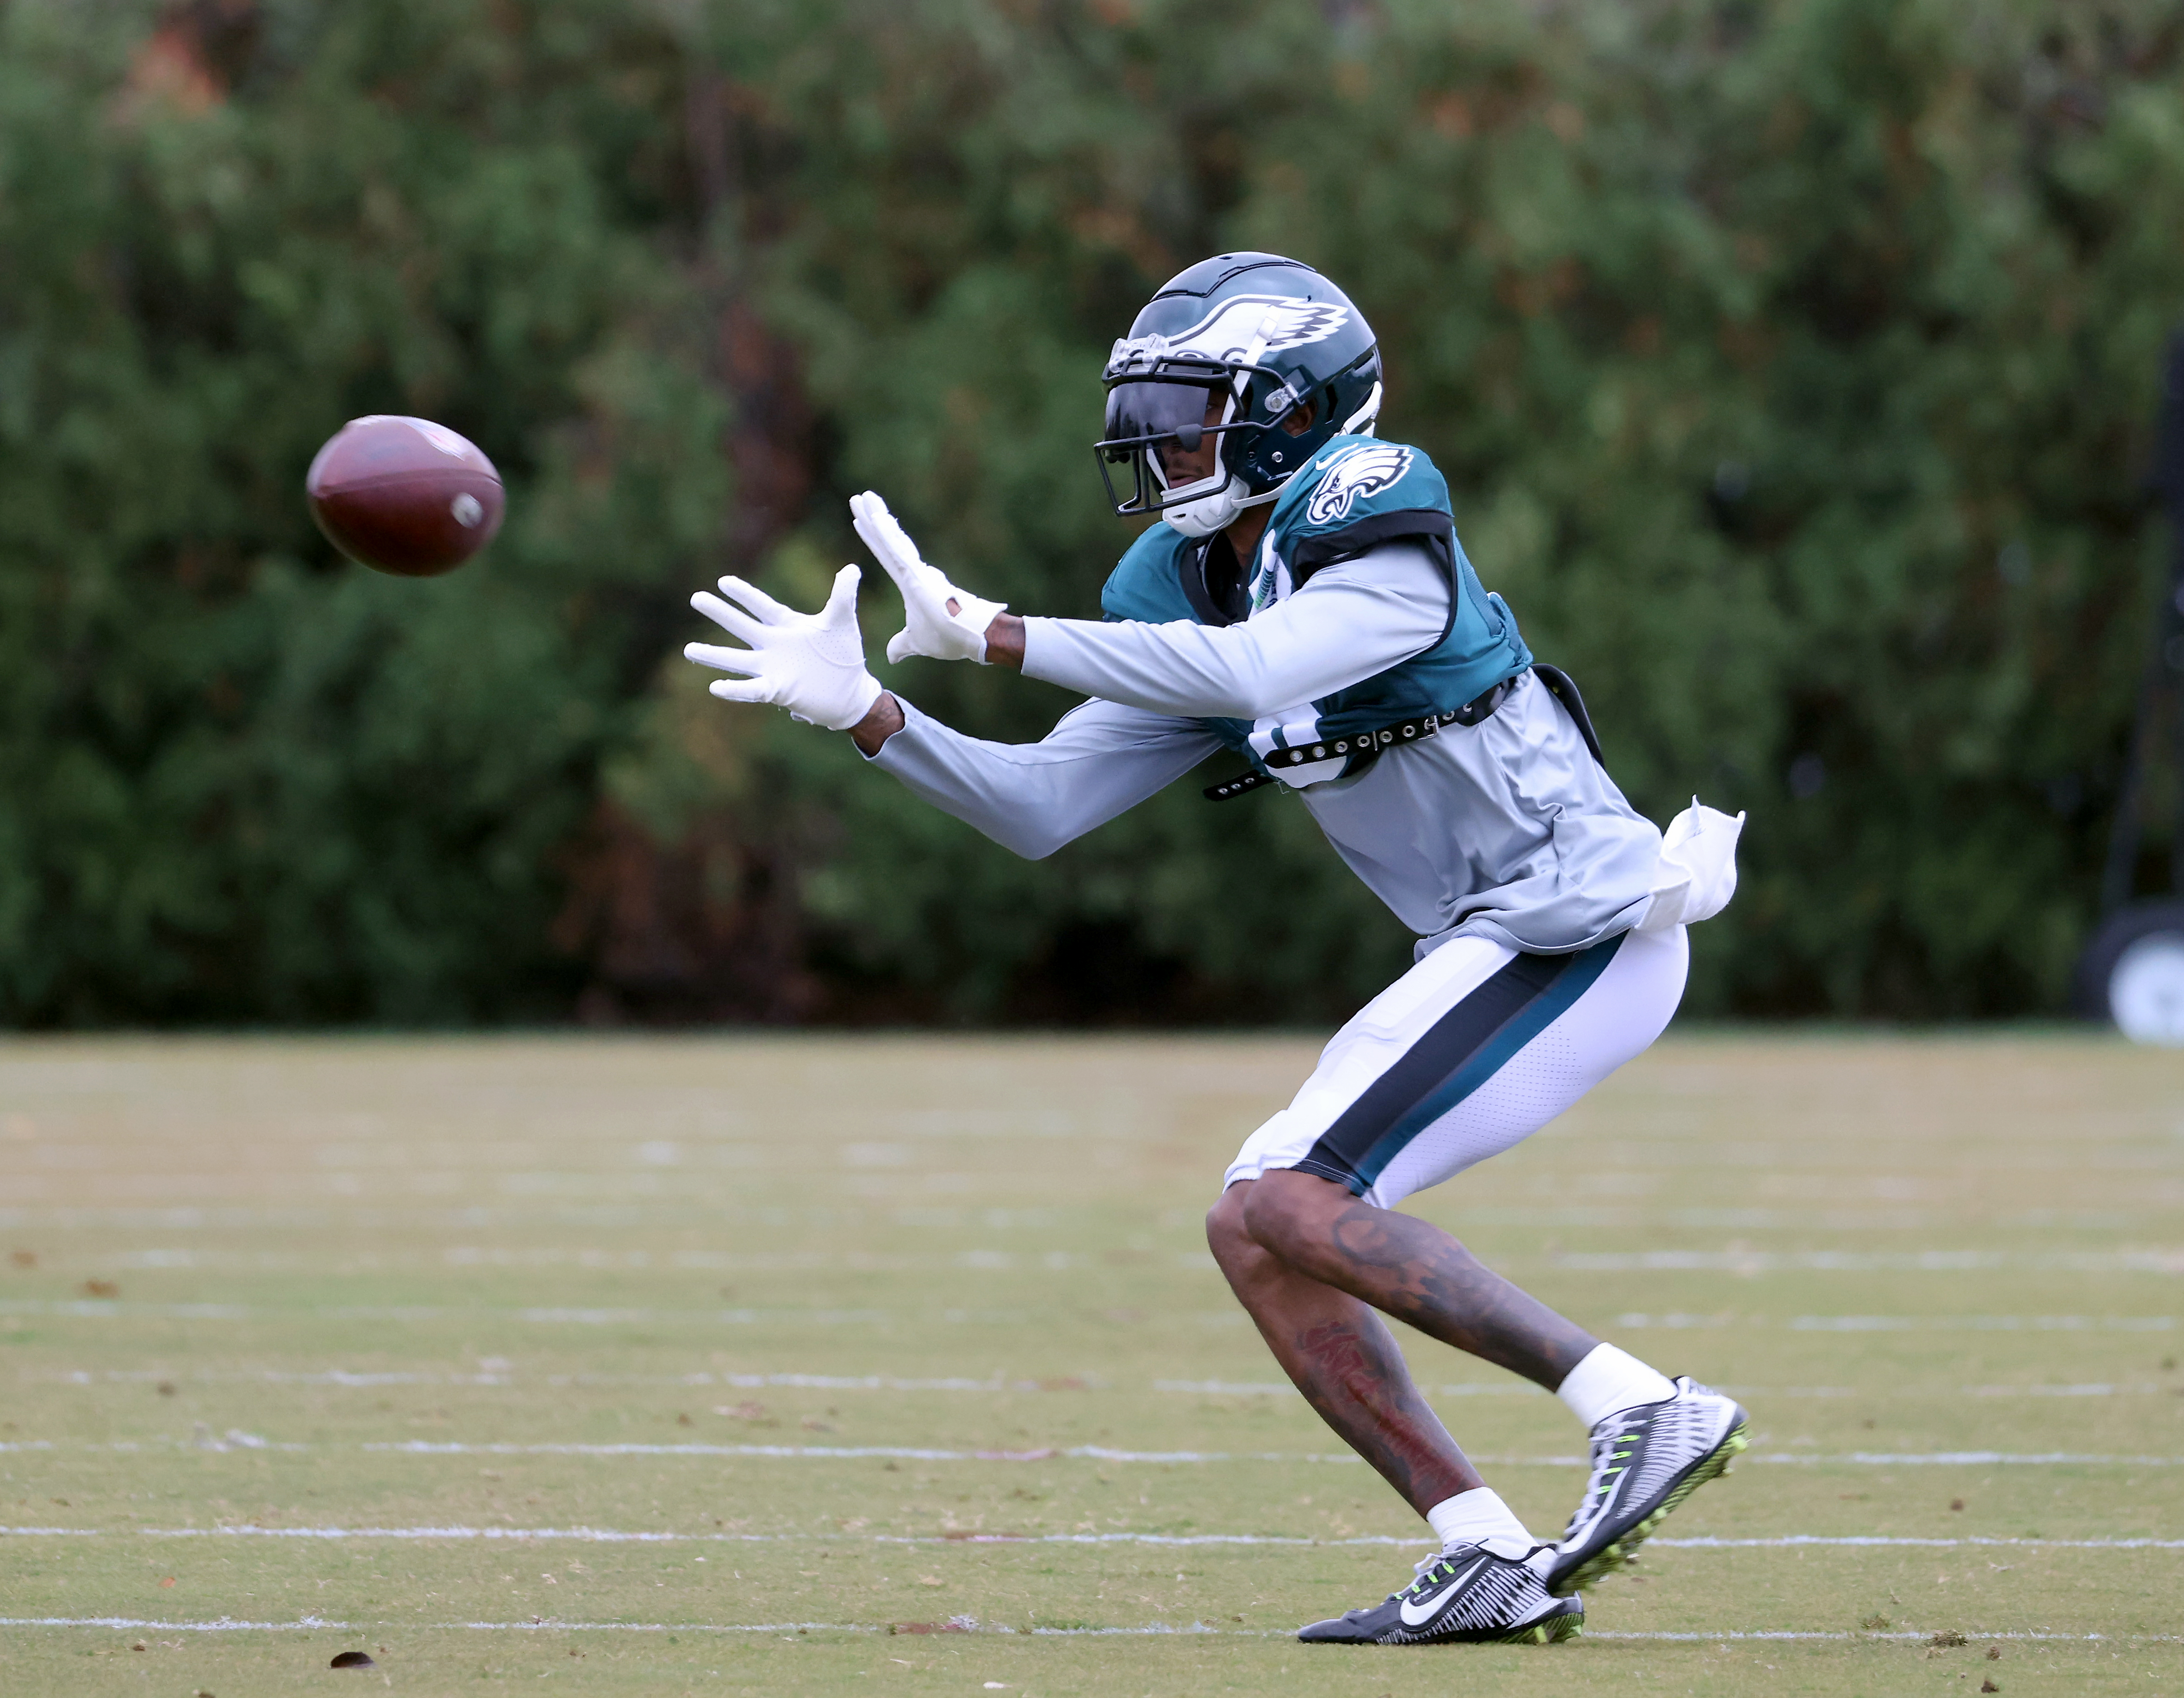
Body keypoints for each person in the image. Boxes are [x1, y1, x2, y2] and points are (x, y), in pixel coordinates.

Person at [683, 252, 1748, 1647]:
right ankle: (1479, 1542)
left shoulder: (1375, 517)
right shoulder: (1186, 574)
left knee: (1299, 1193)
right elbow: (1040, 805)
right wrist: (871, 713)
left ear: (1296, 413)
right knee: (1254, 1222)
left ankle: (1640, 1403)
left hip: (1582, 925)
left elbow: (1254, 673)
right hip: (1495, 939)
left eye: (1191, 411)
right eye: (1149, 412)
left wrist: (1001, 633)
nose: (1154, 444)